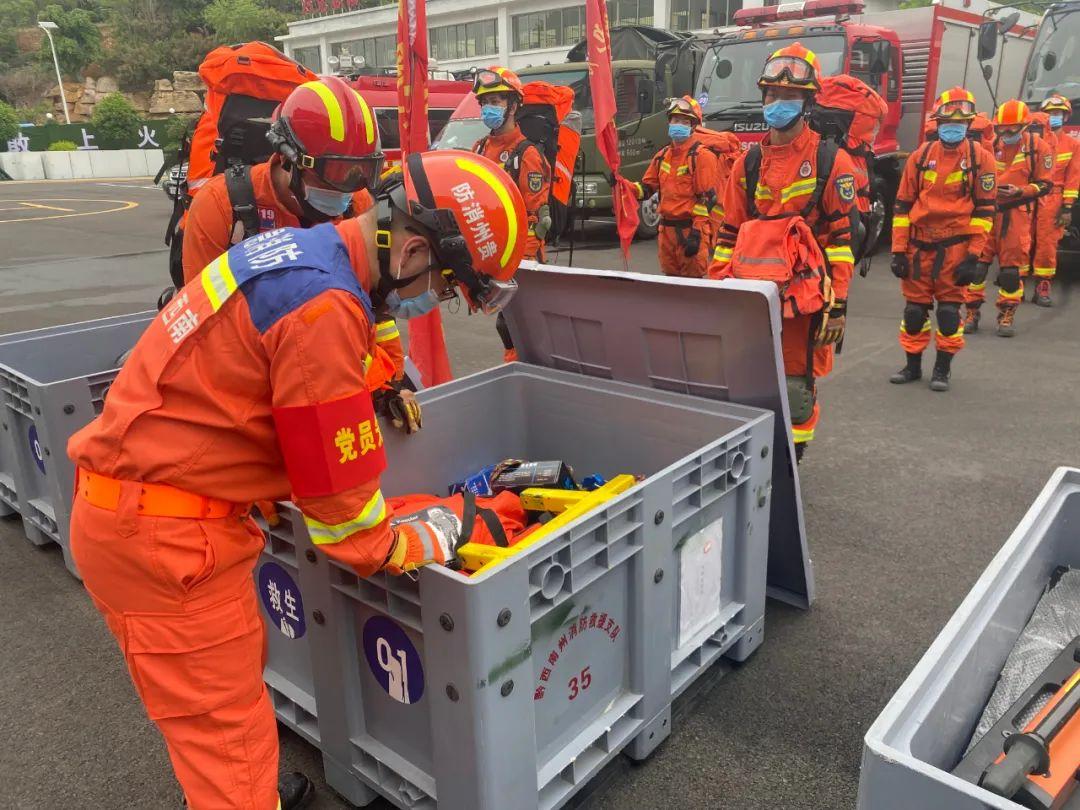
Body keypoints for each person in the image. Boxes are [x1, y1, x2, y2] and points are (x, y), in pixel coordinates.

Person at [66, 150, 527, 810]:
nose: (438, 302)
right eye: (447, 286)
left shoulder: (304, 251)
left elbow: (246, 382)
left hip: (147, 516)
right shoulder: (324, 308)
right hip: (168, 543)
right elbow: (356, 537)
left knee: (217, 725)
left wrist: (364, 392)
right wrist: (454, 525)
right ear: (416, 250)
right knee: (230, 746)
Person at [178, 75, 409, 398]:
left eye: (359, 175)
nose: (343, 190)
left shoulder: (357, 204)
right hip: (248, 377)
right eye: (335, 173)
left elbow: (374, 311)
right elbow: (208, 331)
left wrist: (389, 384)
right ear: (287, 158)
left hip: (330, 365)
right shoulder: (221, 207)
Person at [709, 42, 857, 460]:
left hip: (803, 301)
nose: (778, 103)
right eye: (772, 95)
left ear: (807, 101)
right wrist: (715, 290)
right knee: (741, 382)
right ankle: (748, 462)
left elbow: (842, 243)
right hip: (750, 296)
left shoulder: (831, 161)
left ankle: (789, 468)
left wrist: (838, 304)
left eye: (789, 96)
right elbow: (728, 233)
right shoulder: (747, 163)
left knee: (795, 392)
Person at [889, 87, 997, 392]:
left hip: (955, 249)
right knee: (913, 313)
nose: (954, 127)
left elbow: (985, 210)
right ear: (937, 122)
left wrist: (974, 255)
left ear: (970, 123)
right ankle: (912, 366)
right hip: (918, 248)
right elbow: (902, 206)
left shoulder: (981, 160)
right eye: (948, 121)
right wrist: (898, 251)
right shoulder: (920, 157)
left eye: (961, 122)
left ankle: (942, 369)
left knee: (949, 315)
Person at [963, 100, 1052, 337]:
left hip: (1017, 214)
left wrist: (1021, 191)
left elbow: (1045, 184)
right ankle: (971, 312)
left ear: (1024, 126)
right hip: (987, 212)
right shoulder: (990, 145)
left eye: (1012, 129)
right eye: (1002, 128)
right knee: (976, 268)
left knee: (1011, 272)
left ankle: (1006, 314)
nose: (1006, 133)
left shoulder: (1038, 148)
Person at [634, 96, 724, 278]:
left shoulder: (702, 157)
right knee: (671, 288)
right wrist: (623, 186)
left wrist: (697, 234)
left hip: (690, 230)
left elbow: (707, 199)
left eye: (684, 121)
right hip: (666, 233)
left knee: (692, 289)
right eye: (675, 120)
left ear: (693, 126)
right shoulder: (662, 156)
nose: (678, 124)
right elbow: (646, 188)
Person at [471, 66, 552, 261]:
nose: (487, 108)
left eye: (494, 102)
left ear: (513, 107)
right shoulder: (479, 149)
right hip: (487, 250)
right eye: (484, 103)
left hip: (518, 255)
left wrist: (524, 260)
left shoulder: (527, 154)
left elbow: (537, 218)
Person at [1030, 95, 1080, 306]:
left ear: (1066, 116)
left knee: (1047, 244)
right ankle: (1016, 283)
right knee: (1022, 240)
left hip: (1054, 199)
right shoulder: (1033, 141)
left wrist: (1067, 207)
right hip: (1030, 195)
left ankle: (1043, 285)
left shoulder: (1073, 145)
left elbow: (1073, 179)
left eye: (1058, 113)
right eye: (1050, 113)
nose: (1053, 117)